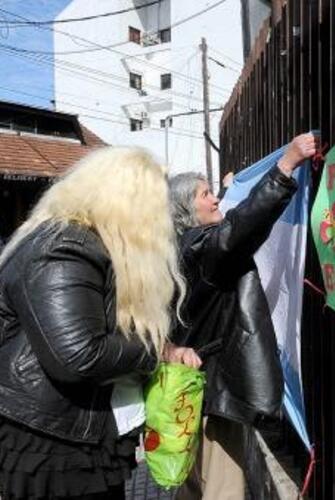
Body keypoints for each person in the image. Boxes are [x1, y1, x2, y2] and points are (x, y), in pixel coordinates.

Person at [0, 147, 201, 500]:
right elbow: (79, 355)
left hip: (80, 432)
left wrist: (162, 348)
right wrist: (156, 352)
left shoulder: (90, 243)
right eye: (156, 207)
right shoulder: (63, 246)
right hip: (50, 440)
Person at [168, 133, 317, 500]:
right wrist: (285, 167)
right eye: (206, 195)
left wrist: (231, 190)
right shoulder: (203, 248)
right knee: (221, 489)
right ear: (188, 211)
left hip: (190, 391)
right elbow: (238, 230)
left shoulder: (177, 250)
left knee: (193, 483)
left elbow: (231, 225)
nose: (215, 198)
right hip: (212, 396)